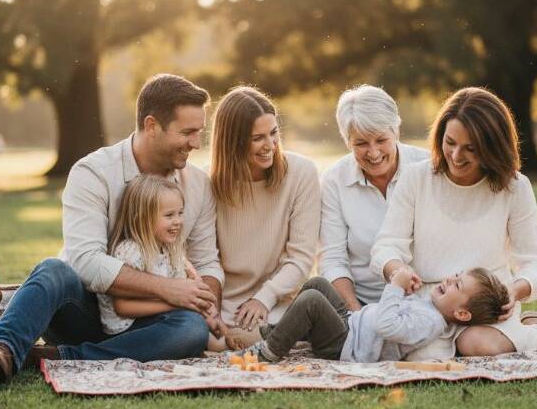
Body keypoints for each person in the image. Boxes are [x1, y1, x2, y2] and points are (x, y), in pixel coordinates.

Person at [0, 74, 224, 386]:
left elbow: (207, 261)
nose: (197, 143)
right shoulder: (93, 173)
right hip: (84, 311)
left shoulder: (197, 184)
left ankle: (63, 358)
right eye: (188, 132)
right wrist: (168, 288)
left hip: (150, 323)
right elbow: (86, 261)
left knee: (192, 330)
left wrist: (207, 305)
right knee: (52, 270)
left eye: (200, 132)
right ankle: (2, 351)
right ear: (152, 126)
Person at [370, 86, 537, 359]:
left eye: (470, 148)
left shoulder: (515, 187)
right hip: (428, 304)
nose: (456, 156)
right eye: (450, 142)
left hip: (484, 309)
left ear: (492, 148)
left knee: (477, 346)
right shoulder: (417, 178)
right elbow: (386, 246)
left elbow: (536, 263)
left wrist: (514, 291)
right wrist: (398, 271)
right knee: (422, 358)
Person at [210, 86, 321, 348]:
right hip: (226, 304)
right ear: (232, 142)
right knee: (206, 338)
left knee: (302, 317)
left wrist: (264, 297)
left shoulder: (301, 173)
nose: (270, 146)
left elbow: (301, 258)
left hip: (277, 300)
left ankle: (268, 337)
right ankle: (262, 340)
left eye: (274, 133)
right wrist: (213, 312)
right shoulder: (207, 184)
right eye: (257, 138)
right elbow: (203, 259)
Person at [239, 267, 509, 363]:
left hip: (346, 346)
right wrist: (408, 292)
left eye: (457, 285)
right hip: (351, 325)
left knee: (311, 301)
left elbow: (386, 326)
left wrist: (395, 287)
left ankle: (269, 352)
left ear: (462, 313)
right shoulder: (431, 307)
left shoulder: (430, 324)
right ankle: (279, 334)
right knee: (318, 283)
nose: (450, 280)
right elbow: (399, 312)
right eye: (456, 275)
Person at [319, 85, 428, 310]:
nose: (373, 153)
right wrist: (356, 316)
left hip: (426, 300)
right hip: (362, 303)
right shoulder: (334, 181)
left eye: (381, 140)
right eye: (360, 143)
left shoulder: (428, 168)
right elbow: (333, 260)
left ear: (396, 131)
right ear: (347, 141)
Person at [96, 175, 223, 350]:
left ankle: (222, 345)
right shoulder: (131, 251)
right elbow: (122, 307)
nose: (178, 221)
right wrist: (175, 304)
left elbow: (191, 290)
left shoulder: (171, 249)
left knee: (195, 326)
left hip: (153, 320)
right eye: (169, 215)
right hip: (125, 328)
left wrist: (212, 318)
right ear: (142, 218)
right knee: (190, 327)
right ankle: (84, 354)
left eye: (180, 213)